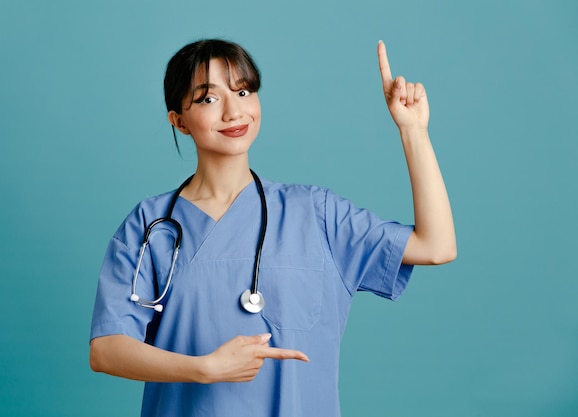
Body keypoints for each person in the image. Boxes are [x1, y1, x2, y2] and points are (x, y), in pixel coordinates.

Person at [89, 38, 456, 417]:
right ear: (178, 120)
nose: (234, 111)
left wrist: (413, 131)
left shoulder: (316, 213)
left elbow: (436, 246)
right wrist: (205, 369)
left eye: (243, 91)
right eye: (208, 98)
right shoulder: (151, 226)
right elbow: (106, 350)